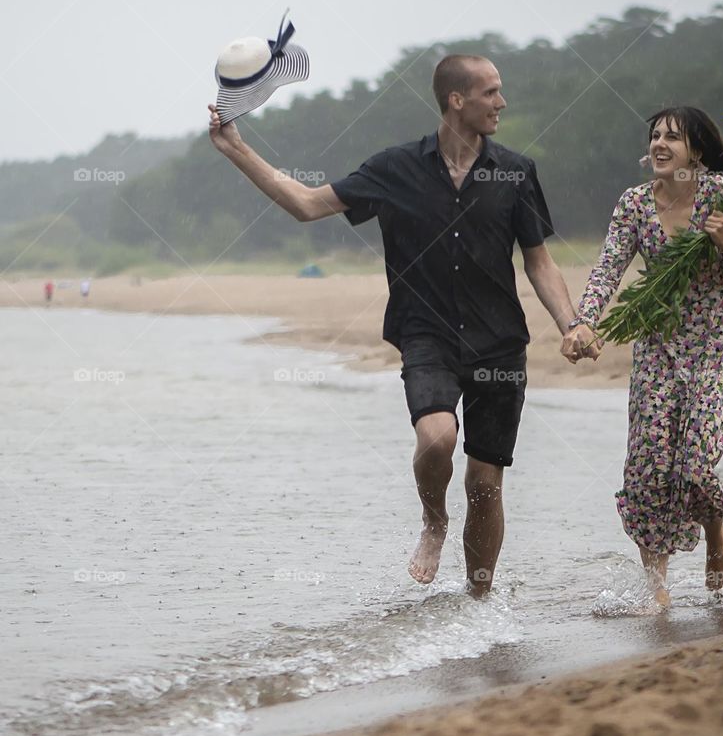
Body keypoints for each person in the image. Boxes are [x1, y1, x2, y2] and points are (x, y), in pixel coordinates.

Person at [208, 55, 589, 594]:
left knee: (485, 482)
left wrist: (570, 322)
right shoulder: (395, 169)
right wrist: (238, 150)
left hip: (499, 345)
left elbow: (539, 261)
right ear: (457, 100)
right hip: (425, 335)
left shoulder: (515, 172)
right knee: (436, 439)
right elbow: (307, 204)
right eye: (491, 93)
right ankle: (434, 521)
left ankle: (478, 601)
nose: (502, 103)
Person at [561, 106, 723, 608]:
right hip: (656, 354)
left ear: (695, 151)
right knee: (648, 468)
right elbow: (608, 269)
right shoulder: (634, 204)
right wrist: (584, 321)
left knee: (693, 466)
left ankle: (715, 526)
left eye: (672, 138)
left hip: (715, 352)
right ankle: (657, 587)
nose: (660, 144)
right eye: (655, 135)